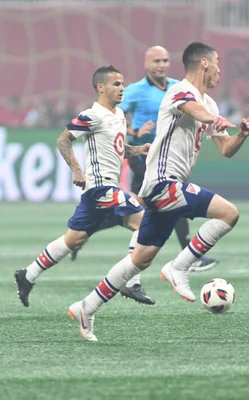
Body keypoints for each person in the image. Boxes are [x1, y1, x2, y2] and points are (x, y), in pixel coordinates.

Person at [67, 42, 249, 341]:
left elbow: (225, 149)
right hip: (162, 183)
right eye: (217, 62)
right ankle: (179, 268)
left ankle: (86, 308)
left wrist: (241, 136)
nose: (221, 69)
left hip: (170, 189)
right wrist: (211, 117)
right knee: (229, 213)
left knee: (140, 260)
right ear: (204, 63)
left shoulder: (212, 105)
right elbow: (190, 108)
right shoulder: (179, 90)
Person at [71, 46, 218, 280]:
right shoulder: (134, 91)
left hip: (169, 157)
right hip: (144, 158)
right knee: (160, 203)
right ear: (147, 64)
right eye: (156, 61)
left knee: (149, 206)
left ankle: (86, 230)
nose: (161, 65)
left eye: (165, 60)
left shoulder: (177, 87)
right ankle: (188, 258)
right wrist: (135, 131)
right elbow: (110, 116)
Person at [13, 65, 151, 308]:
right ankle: (131, 282)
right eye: (116, 84)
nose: (122, 88)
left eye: (122, 83)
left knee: (73, 240)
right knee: (145, 222)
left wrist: (138, 150)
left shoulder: (118, 115)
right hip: (101, 189)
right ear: (101, 87)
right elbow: (63, 139)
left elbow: (119, 150)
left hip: (98, 193)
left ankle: (28, 275)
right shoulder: (92, 115)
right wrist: (77, 169)